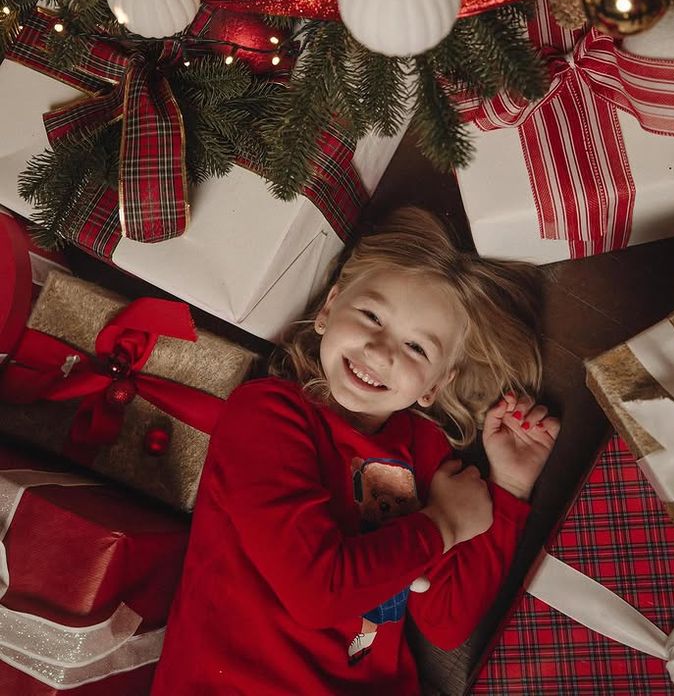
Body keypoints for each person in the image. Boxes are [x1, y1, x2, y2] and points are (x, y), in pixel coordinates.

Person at [152, 207, 560, 695]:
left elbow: (446, 622)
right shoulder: (268, 415)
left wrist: (509, 489)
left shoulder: (426, 453)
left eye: (418, 350)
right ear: (329, 309)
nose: (381, 350)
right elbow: (316, 592)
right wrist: (445, 524)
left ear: (435, 385)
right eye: (371, 316)